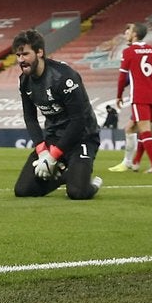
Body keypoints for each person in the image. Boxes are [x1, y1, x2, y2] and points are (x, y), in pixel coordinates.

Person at [12, 29, 102, 200]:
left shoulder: (64, 77)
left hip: (82, 137)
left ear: (40, 52)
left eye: (25, 54)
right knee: (23, 190)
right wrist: (42, 151)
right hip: (54, 137)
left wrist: (53, 156)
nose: (21, 60)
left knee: (77, 193)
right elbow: (30, 118)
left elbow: (78, 121)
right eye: (18, 55)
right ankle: (65, 176)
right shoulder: (24, 81)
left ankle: (89, 183)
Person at [113, 22, 152, 173]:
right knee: (130, 128)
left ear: (135, 34)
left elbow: (122, 77)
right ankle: (134, 162)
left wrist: (118, 95)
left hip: (139, 96)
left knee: (145, 130)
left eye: (128, 30)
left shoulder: (128, 52)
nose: (126, 33)